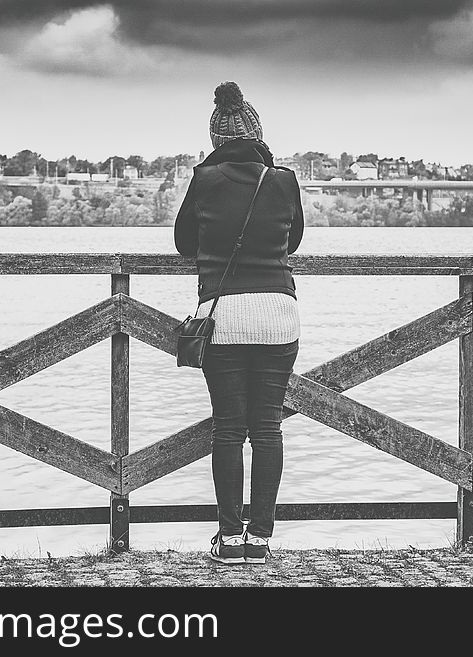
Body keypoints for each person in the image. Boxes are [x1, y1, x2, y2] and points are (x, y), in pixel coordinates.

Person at [174, 81, 304, 564]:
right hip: (278, 316)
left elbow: (185, 245)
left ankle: (229, 539)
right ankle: (262, 539)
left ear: (215, 137)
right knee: (267, 428)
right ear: (257, 132)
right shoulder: (284, 179)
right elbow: (292, 243)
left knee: (229, 429)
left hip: (224, 317)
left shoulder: (204, 180)